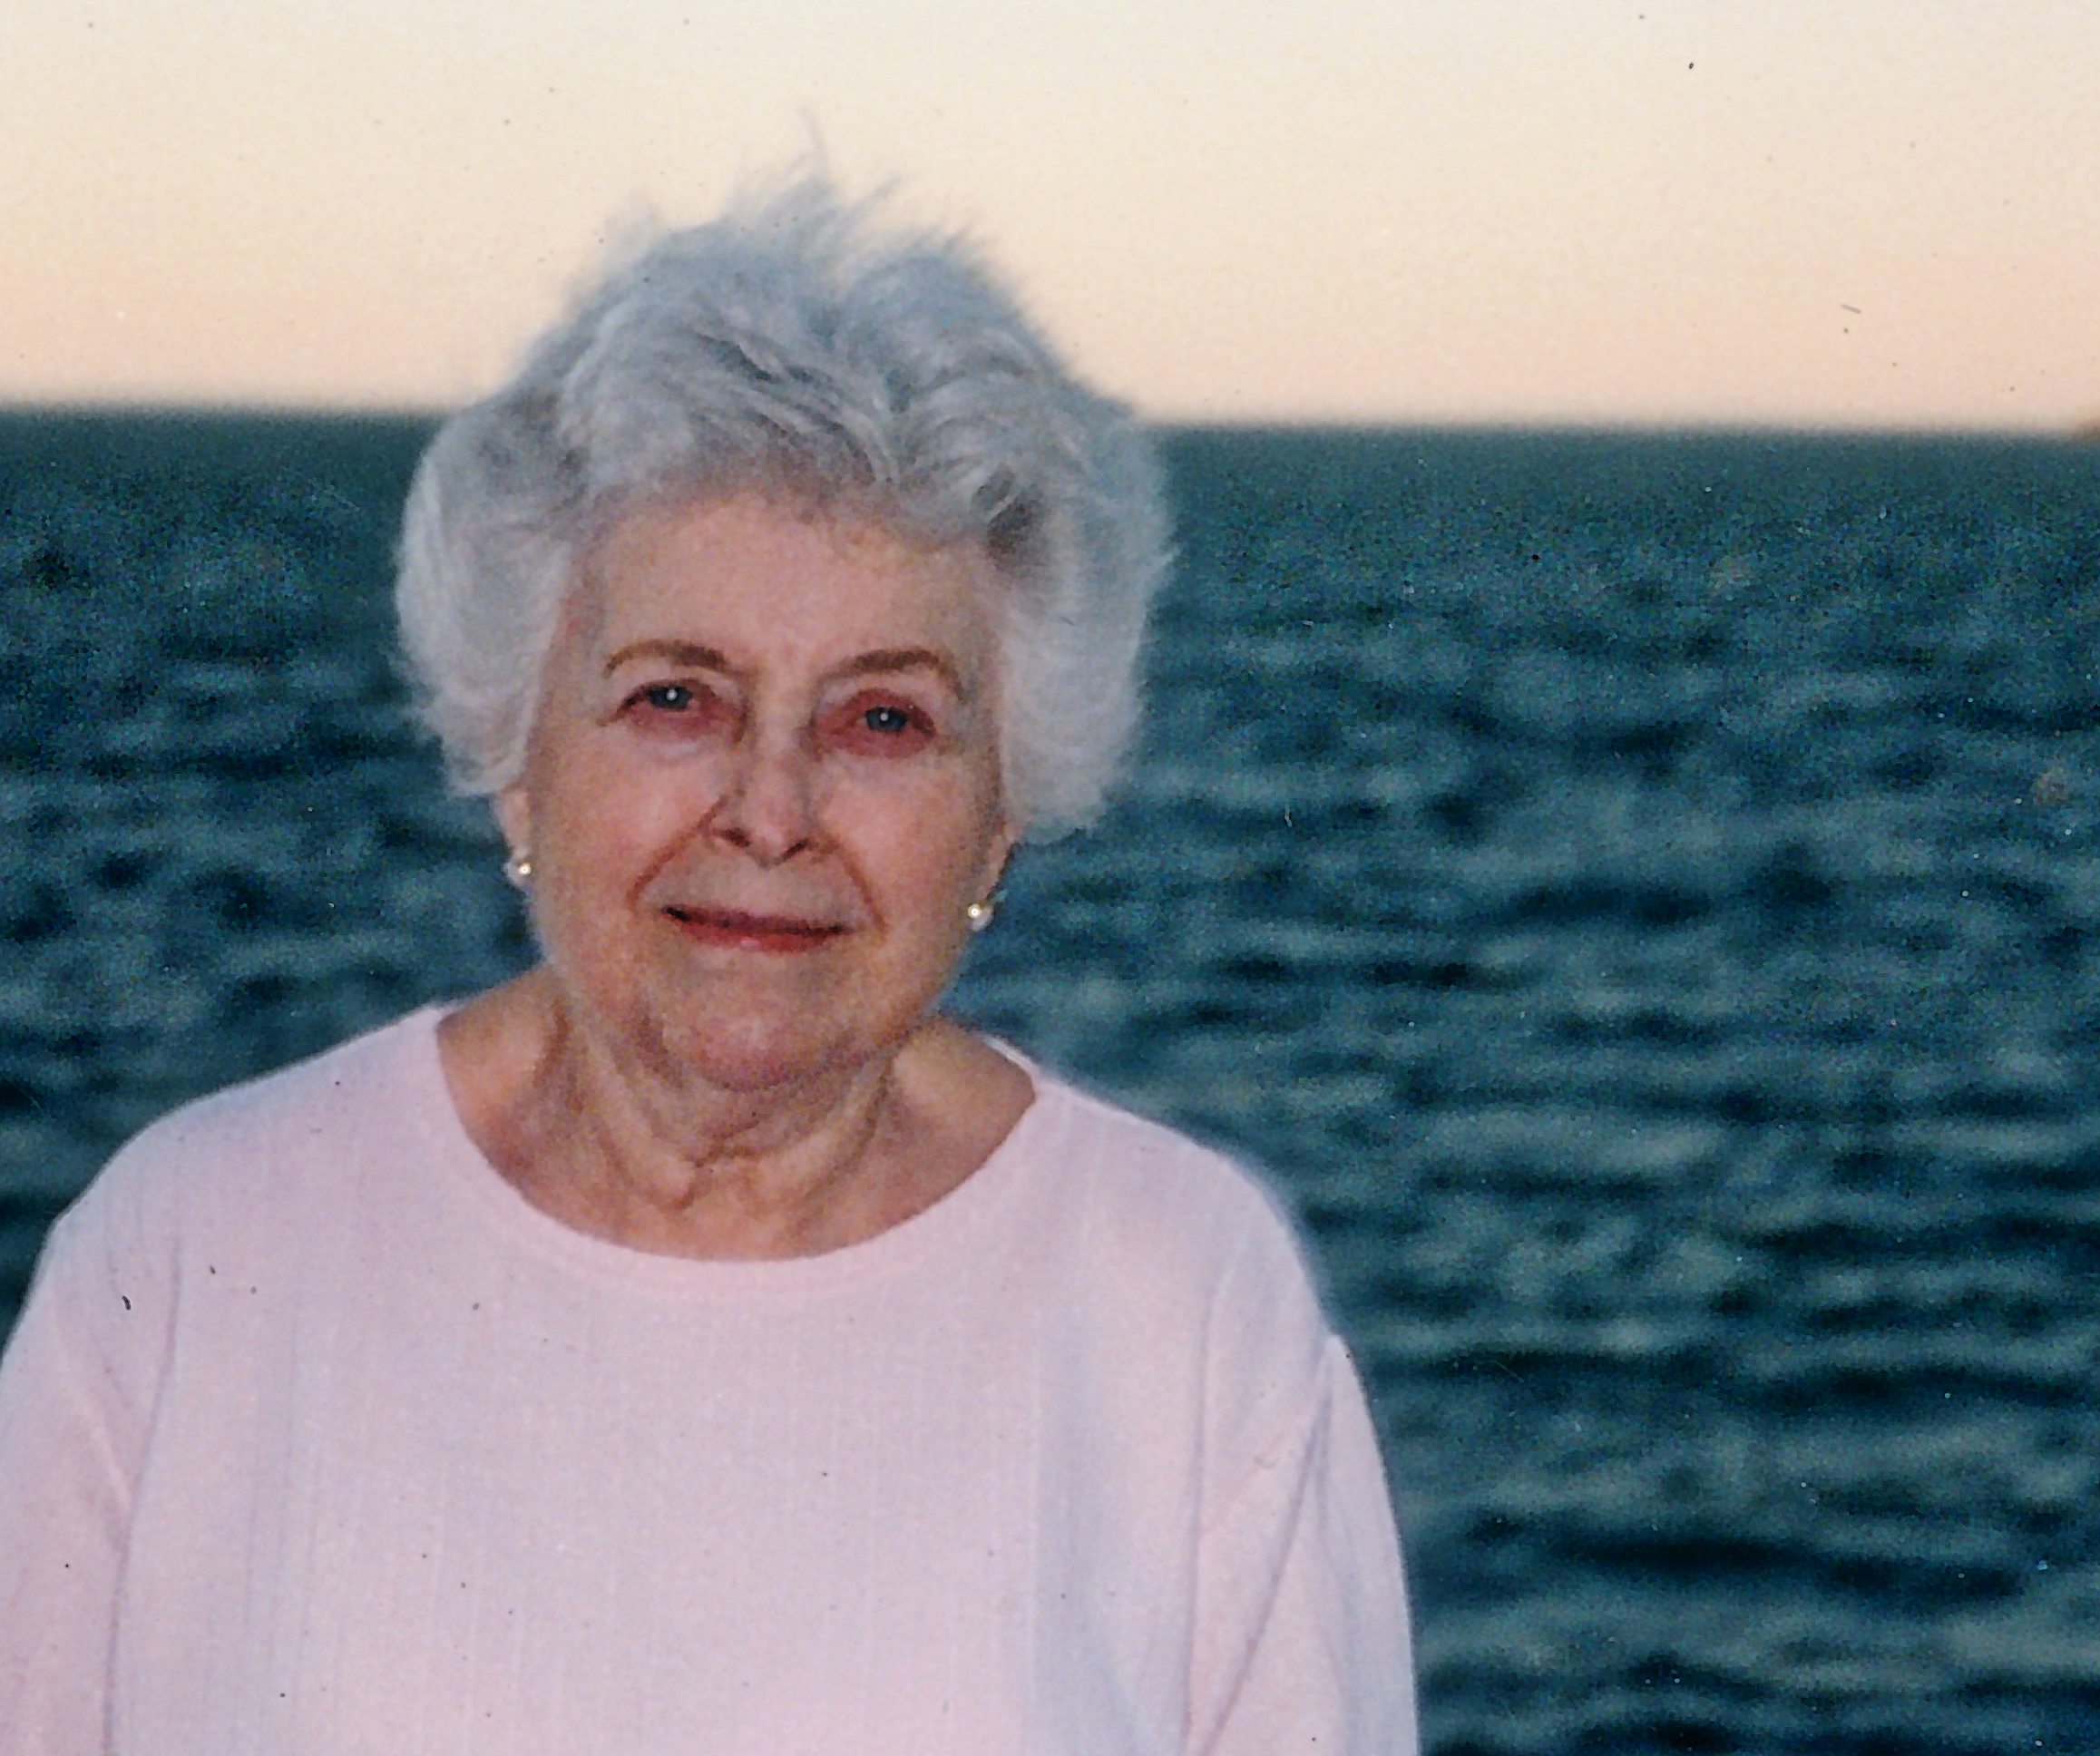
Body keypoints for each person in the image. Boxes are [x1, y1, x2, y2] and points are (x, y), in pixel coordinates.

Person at [0, 176, 1416, 1753]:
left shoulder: (1181, 1300)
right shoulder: (189, 1253)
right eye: (676, 698)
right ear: (515, 755)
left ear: (1003, 813)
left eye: (884, 719)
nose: (771, 810)